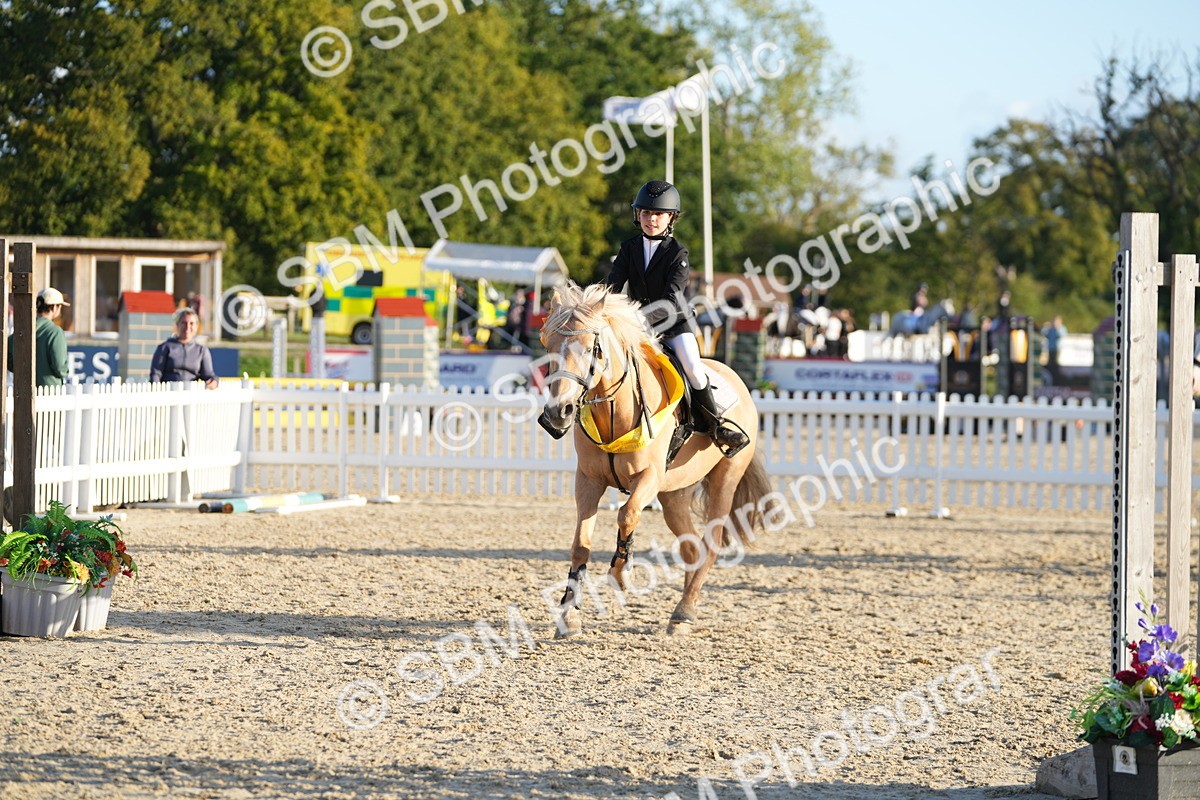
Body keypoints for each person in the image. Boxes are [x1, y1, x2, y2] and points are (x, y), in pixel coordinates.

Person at [602, 180, 749, 457]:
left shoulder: (677, 253)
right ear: (638, 216)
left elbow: (671, 301)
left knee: (693, 366)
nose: (651, 219)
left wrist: (635, 318)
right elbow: (612, 287)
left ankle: (716, 425)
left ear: (671, 218)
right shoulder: (628, 248)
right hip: (635, 328)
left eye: (658, 214)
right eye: (645, 213)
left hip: (673, 325)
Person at [8, 287, 70, 387]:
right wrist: (65, 372)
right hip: (49, 390)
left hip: (23, 390)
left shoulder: (24, 328)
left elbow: (6, 353)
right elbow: (59, 366)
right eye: (60, 306)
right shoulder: (55, 332)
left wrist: (19, 370)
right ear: (54, 307)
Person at [150, 307, 219, 388]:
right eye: (184, 323)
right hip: (168, 394)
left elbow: (208, 375)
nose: (187, 327)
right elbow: (156, 374)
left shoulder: (201, 350)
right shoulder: (164, 348)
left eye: (191, 323)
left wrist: (214, 381)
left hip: (191, 395)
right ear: (177, 324)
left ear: (196, 326)